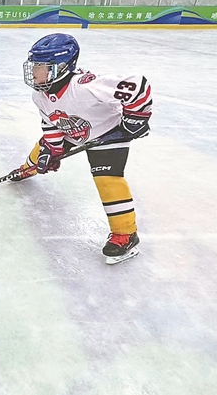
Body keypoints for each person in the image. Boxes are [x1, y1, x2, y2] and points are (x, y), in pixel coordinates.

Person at [13, 33, 152, 264]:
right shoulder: (40, 96)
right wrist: (53, 150)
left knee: (107, 179)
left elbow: (137, 85)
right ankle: (26, 169)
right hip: (73, 129)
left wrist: (135, 118)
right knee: (43, 149)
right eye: (34, 65)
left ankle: (126, 234)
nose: (33, 72)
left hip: (107, 132)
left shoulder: (85, 87)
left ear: (60, 68)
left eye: (40, 66)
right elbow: (51, 122)